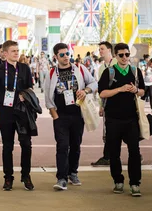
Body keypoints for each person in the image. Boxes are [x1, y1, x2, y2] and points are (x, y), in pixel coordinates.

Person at [44, 43, 97, 191]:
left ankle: (73, 172)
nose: (66, 57)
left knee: (75, 145)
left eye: (67, 54)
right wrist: (54, 114)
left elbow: (93, 82)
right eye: (62, 55)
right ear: (56, 57)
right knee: (62, 146)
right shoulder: (51, 73)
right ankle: (61, 178)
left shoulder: (79, 68)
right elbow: (48, 96)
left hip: (77, 114)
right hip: (60, 116)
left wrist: (85, 90)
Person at [98, 43, 145, 197]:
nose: (125, 58)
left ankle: (135, 183)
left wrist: (135, 90)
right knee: (114, 152)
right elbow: (102, 93)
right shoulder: (108, 72)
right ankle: (118, 180)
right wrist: (119, 89)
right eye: (121, 55)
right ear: (115, 56)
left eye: (127, 54)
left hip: (131, 119)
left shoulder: (135, 72)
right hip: (113, 119)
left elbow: (143, 91)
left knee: (134, 152)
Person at [0, 40, 35, 191]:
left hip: (23, 114)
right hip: (5, 114)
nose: (16, 53)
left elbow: (30, 88)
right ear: (5, 53)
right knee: (7, 147)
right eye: (13, 51)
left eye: (17, 50)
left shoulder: (24, 69)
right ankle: (8, 177)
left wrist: (25, 95)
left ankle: (26, 175)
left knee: (26, 145)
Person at [92, 41, 116, 167]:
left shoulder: (118, 64)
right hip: (107, 103)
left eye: (102, 49)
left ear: (109, 50)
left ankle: (136, 154)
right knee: (108, 130)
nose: (100, 51)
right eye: (99, 49)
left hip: (120, 103)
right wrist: (101, 105)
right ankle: (107, 156)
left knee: (122, 130)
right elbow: (101, 88)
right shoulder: (101, 68)